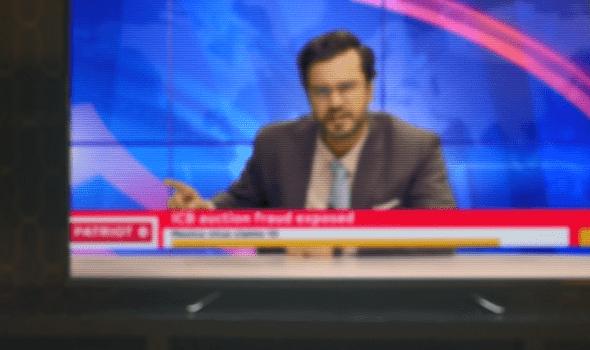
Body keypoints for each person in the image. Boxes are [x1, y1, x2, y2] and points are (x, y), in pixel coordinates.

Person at [166, 29, 455, 213]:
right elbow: (240, 203)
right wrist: (203, 209)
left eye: (346, 88)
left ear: (369, 90)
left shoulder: (415, 148)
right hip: (289, 289)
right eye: (322, 91)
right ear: (307, 95)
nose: (335, 103)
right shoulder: (275, 145)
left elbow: (441, 238)